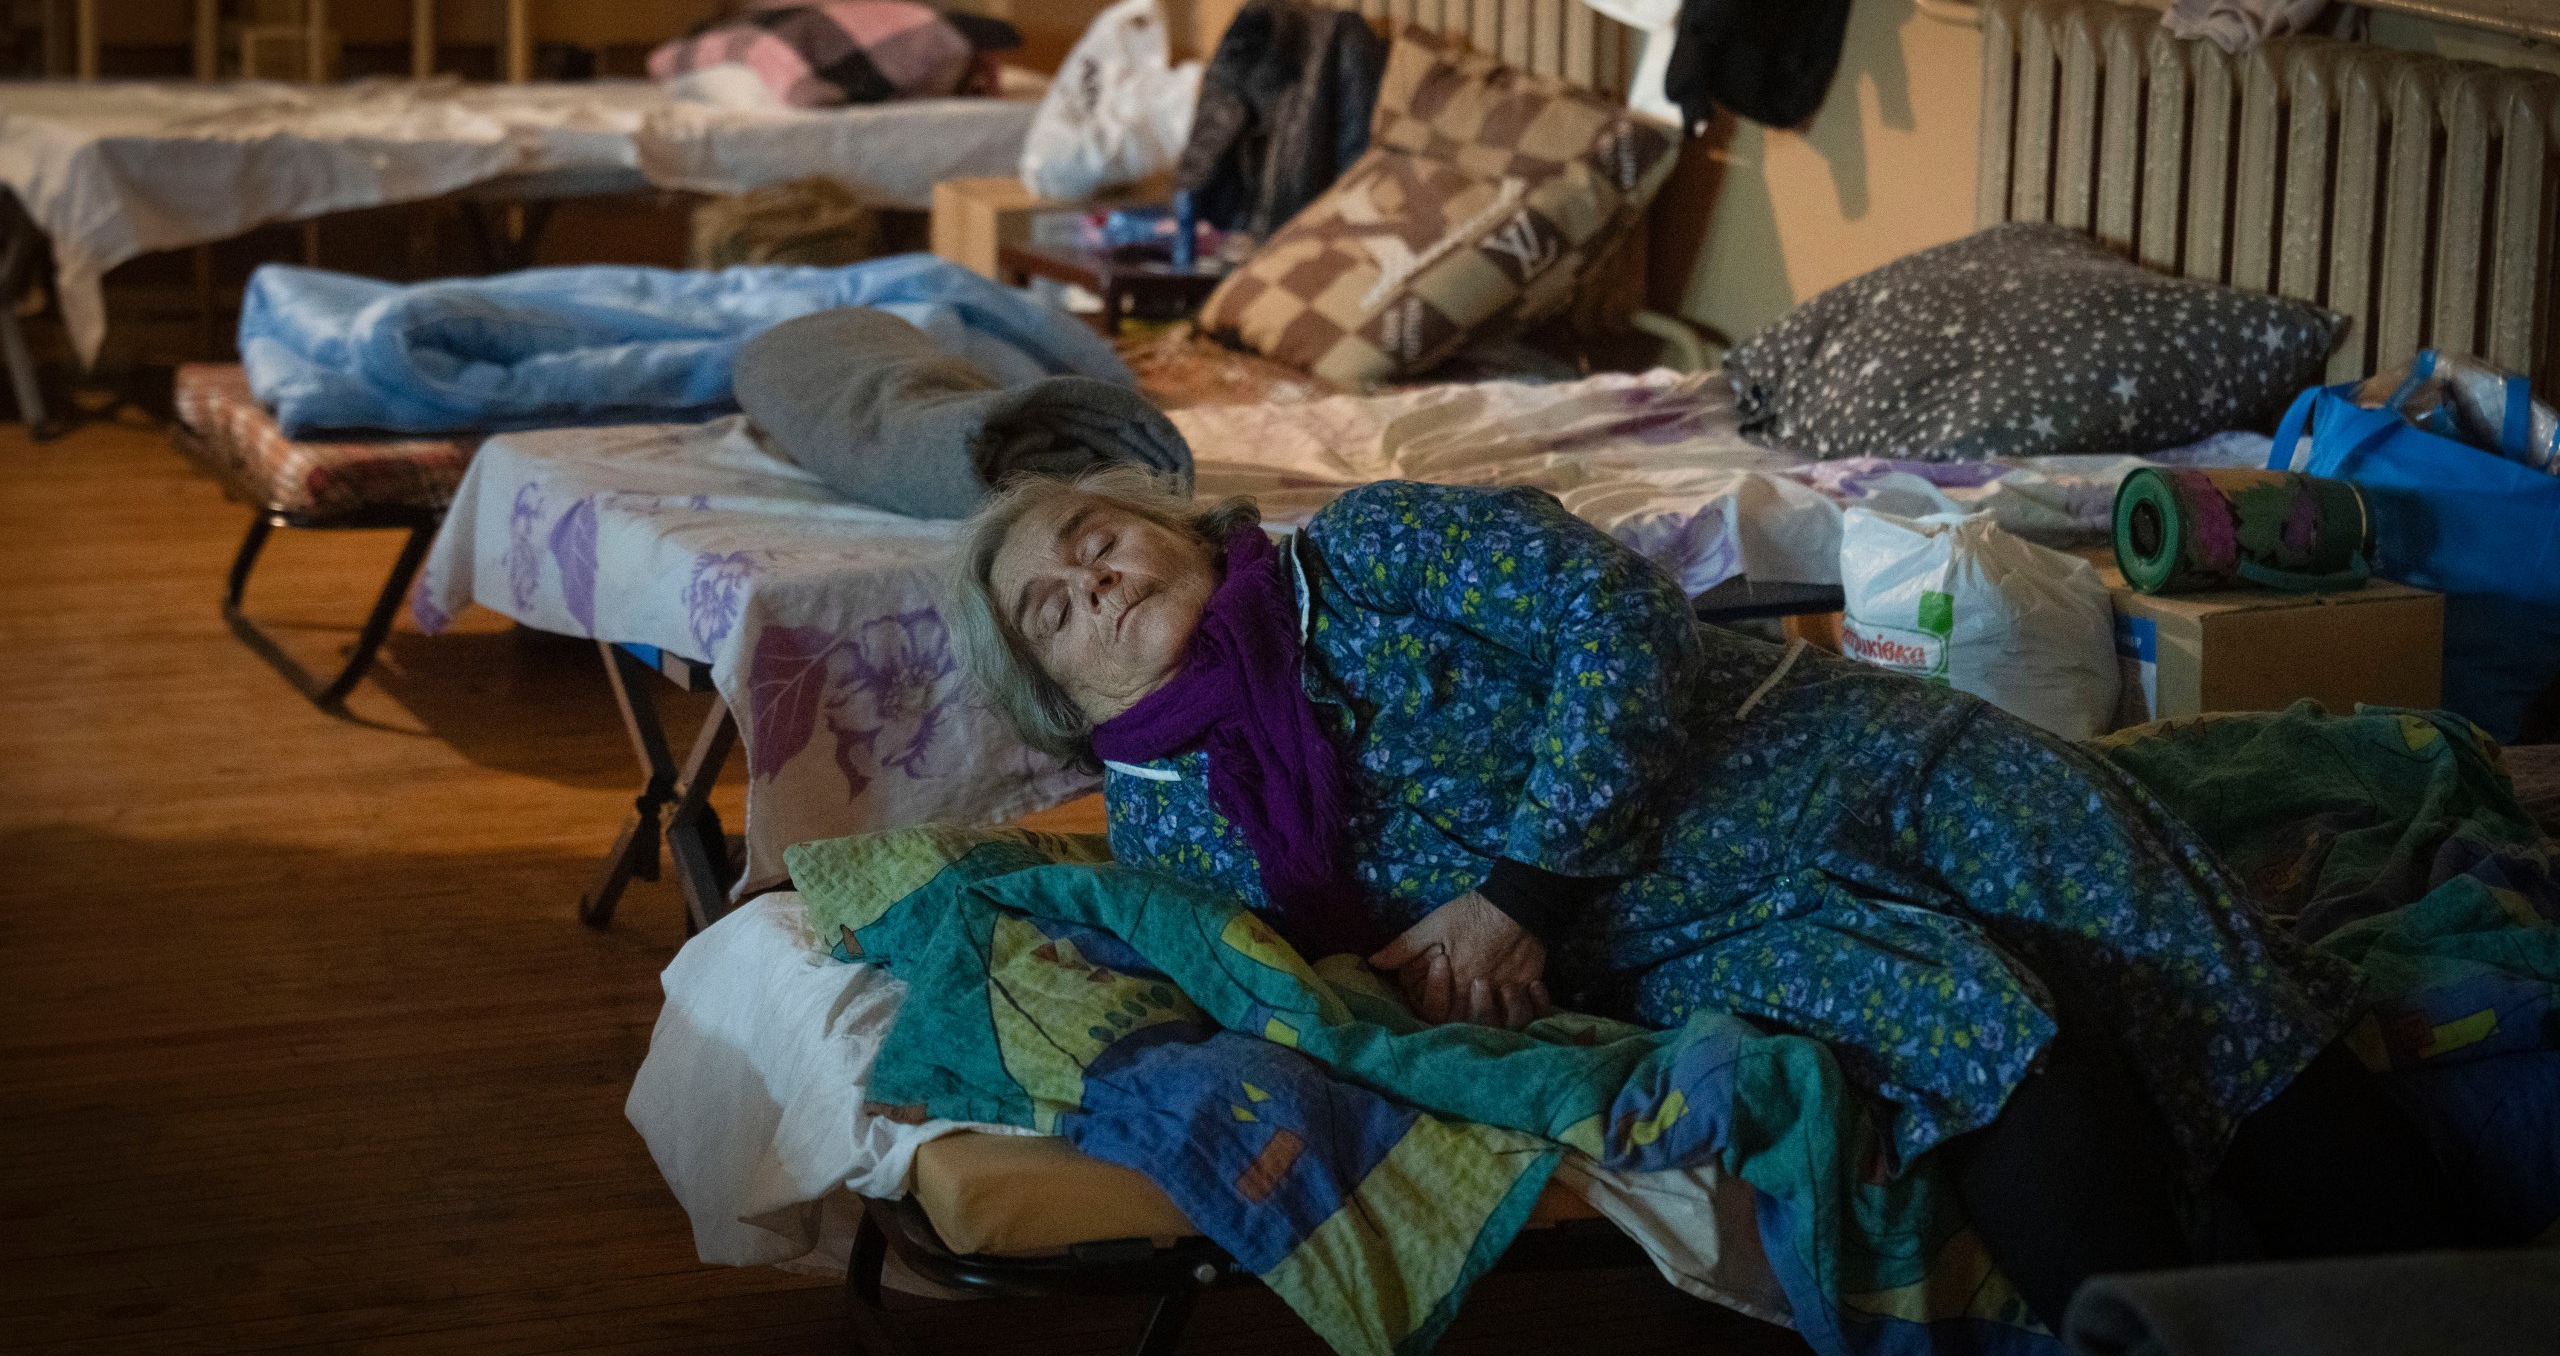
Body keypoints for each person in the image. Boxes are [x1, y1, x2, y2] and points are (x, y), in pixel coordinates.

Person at [949, 468, 2488, 1327]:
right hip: (1705, 934)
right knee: (1981, 1030)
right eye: (1055, 606)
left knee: (2188, 966)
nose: (1096, 583)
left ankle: (2466, 1312)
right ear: (1058, 692)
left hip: (1839, 766)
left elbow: (1620, 624)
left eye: (1100, 541)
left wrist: (1514, 895)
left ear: (1173, 520)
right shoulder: (1169, 827)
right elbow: (1302, 981)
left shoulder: (1365, 550)